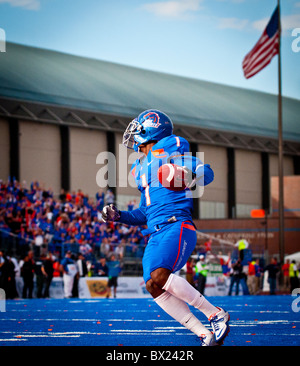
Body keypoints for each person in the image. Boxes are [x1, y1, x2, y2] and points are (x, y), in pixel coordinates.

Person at [101, 109, 230, 346]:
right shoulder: (140, 169)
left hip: (177, 225)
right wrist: (118, 215)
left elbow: (206, 171)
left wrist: (189, 177)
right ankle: (203, 333)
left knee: (160, 274)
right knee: (152, 284)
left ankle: (216, 313)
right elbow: (144, 213)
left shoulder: (171, 151)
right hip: (156, 232)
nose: (134, 137)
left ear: (151, 130)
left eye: (139, 129)